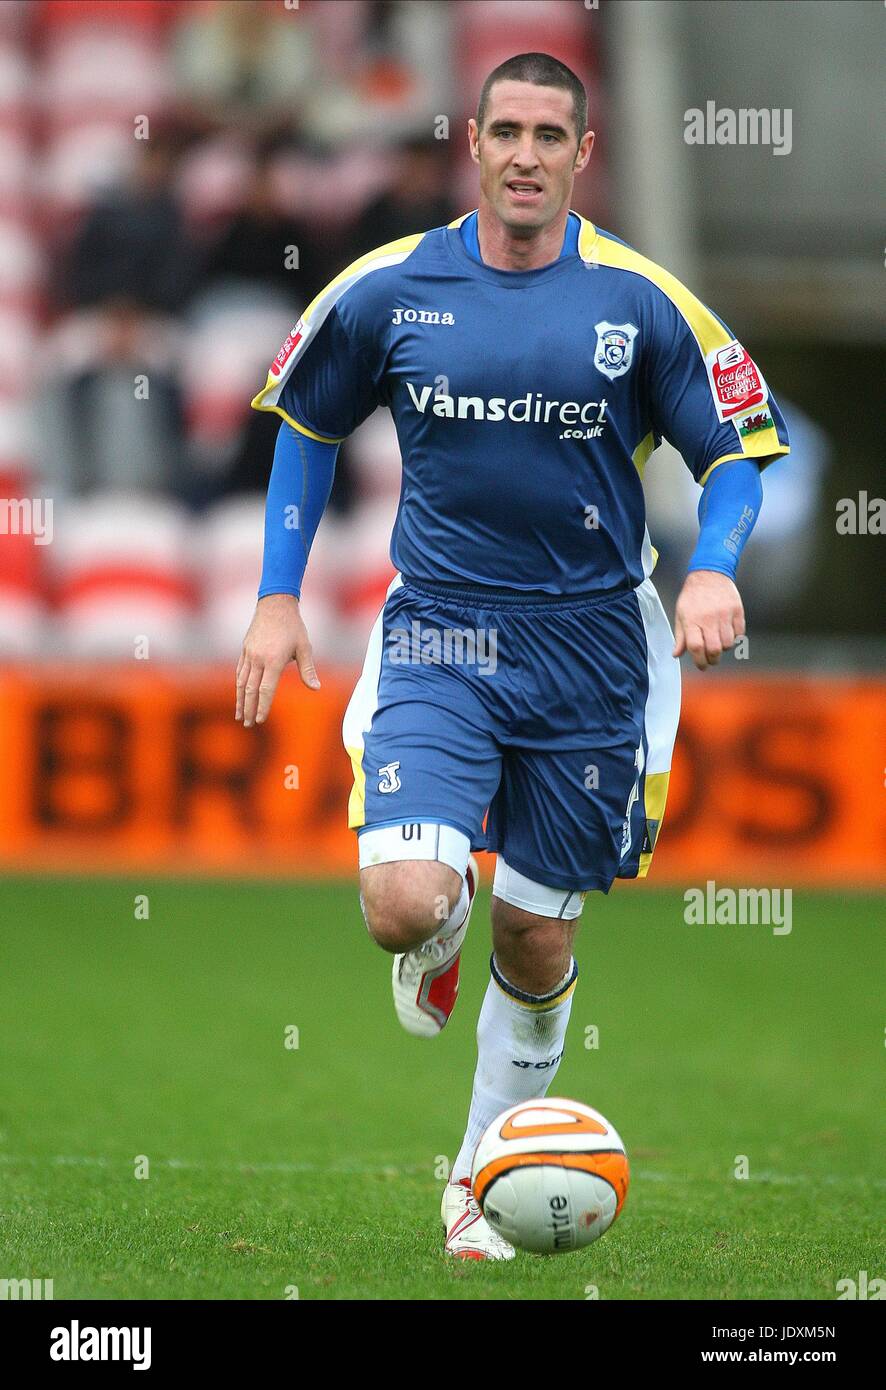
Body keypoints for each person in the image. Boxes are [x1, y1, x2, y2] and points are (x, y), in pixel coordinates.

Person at [236, 53, 789, 1260]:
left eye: (551, 133)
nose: (527, 154)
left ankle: (476, 1176)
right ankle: (436, 920)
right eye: (507, 132)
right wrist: (278, 598)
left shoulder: (638, 300)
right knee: (399, 906)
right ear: (472, 145)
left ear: (582, 153)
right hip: (440, 631)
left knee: (539, 937)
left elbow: (738, 453)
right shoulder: (390, 288)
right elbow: (306, 427)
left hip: (594, 654)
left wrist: (712, 565)